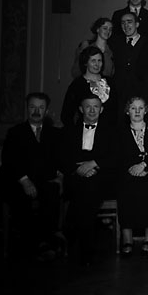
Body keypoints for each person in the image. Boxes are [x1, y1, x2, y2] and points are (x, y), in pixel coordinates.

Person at [0, 92, 63, 260]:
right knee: (21, 198)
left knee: (52, 191)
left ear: (46, 111)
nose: (36, 111)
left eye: (41, 108)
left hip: (43, 179)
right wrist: (25, 181)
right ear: (27, 108)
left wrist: (60, 176)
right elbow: (9, 161)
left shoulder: (54, 134)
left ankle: (46, 240)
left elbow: (60, 159)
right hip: (17, 180)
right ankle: (31, 244)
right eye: (33, 107)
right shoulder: (15, 132)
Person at [59, 96, 117, 266]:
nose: (92, 110)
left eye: (96, 107)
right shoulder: (69, 131)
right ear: (81, 109)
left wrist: (94, 164)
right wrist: (78, 169)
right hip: (76, 178)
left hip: (102, 178)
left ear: (101, 109)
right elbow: (62, 158)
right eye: (88, 107)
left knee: (88, 191)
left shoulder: (111, 131)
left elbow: (116, 157)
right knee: (85, 194)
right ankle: (87, 250)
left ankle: (71, 228)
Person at [116, 97, 148, 257]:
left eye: (140, 108)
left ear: (146, 110)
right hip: (128, 174)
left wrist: (145, 166)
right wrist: (133, 169)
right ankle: (127, 239)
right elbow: (117, 155)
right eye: (133, 108)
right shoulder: (120, 132)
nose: (137, 111)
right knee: (125, 189)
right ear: (127, 111)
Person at [112, 11, 148, 109]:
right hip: (120, 96)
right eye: (123, 23)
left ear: (137, 24)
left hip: (142, 95)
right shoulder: (116, 43)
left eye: (129, 22)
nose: (126, 25)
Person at [61, 46, 114, 127]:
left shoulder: (110, 83)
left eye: (99, 60)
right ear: (85, 63)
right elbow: (66, 114)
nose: (97, 64)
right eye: (93, 61)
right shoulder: (77, 85)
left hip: (108, 130)